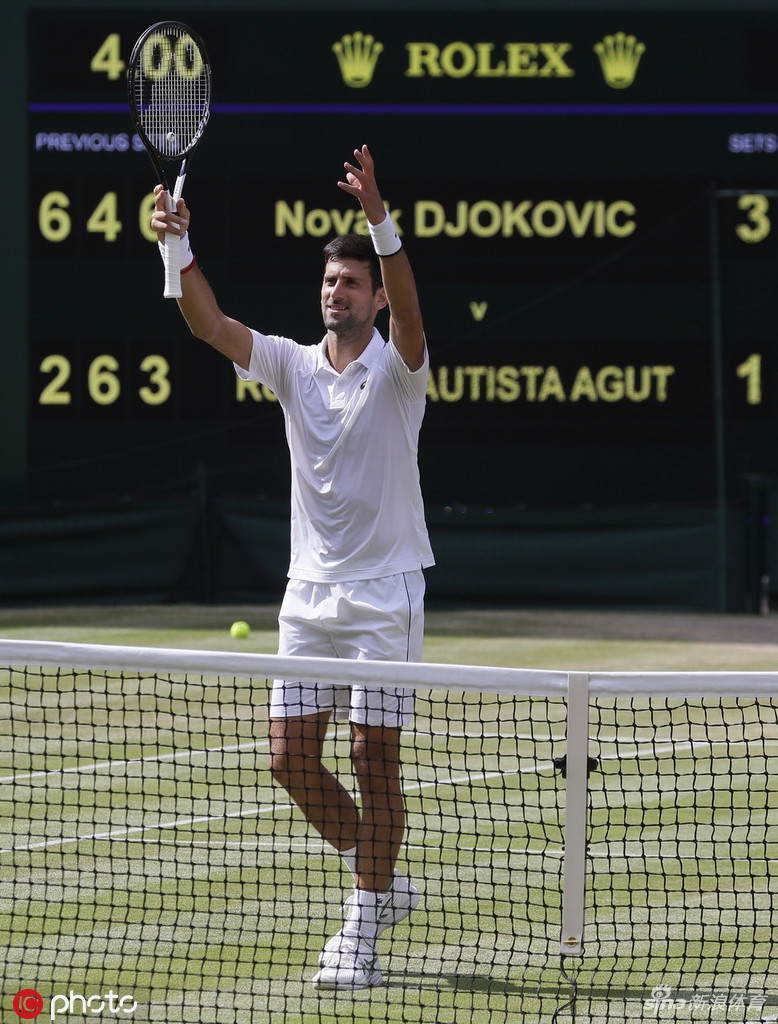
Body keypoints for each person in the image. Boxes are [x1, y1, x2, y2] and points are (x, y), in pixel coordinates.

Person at [151, 145, 435, 990]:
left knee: (373, 760)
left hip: (386, 594)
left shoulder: (401, 372)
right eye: (329, 281)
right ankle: (380, 878)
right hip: (308, 596)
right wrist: (175, 245)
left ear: (375, 299)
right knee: (287, 760)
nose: (335, 291)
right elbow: (208, 324)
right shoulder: (289, 364)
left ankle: (361, 928)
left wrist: (378, 218)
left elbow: (412, 307)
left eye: (351, 283)